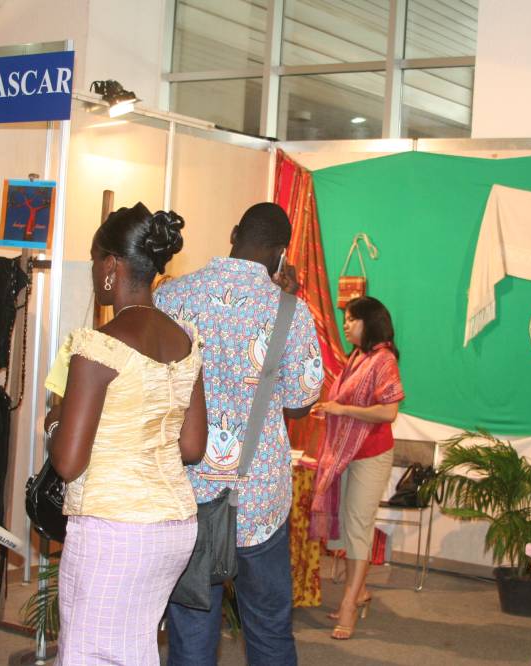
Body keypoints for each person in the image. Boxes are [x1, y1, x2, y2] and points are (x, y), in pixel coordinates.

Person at [156, 202, 323, 666]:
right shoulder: (291, 311)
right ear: (281, 253)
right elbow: (300, 402)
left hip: (189, 491)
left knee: (191, 636)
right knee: (268, 630)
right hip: (259, 498)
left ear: (233, 234)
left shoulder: (171, 297)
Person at [47, 203, 208, 665]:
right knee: (135, 649)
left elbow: (68, 463)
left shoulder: (99, 346)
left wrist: (54, 421)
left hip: (112, 527)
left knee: (88, 653)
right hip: (174, 526)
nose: (94, 271)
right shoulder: (185, 340)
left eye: (95, 259)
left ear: (112, 266)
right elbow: (192, 446)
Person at [308, 296, 404, 640]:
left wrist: (342, 410)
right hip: (346, 454)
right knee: (349, 529)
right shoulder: (358, 357)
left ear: (370, 322)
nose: (346, 324)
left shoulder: (383, 359)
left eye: (351, 319)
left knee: (359, 528)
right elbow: (347, 402)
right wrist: (330, 409)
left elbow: (388, 412)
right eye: (345, 319)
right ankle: (359, 592)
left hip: (370, 455)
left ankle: (349, 605)